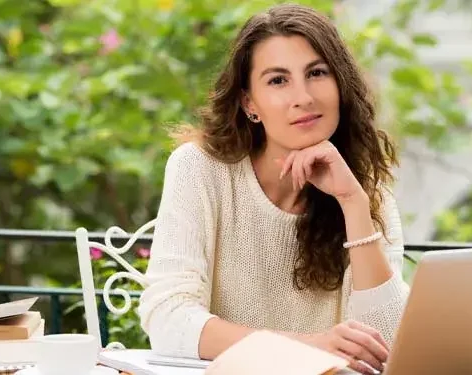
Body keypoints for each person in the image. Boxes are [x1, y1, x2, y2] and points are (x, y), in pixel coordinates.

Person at [137, 4, 410, 374]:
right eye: (278, 80)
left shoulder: (365, 192)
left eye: (316, 73)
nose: (304, 97)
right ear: (250, 103)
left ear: (340, 85)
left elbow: (387, 346)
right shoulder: (199, 169)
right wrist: (305, 348)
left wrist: (353, 203)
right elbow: (168, 321)